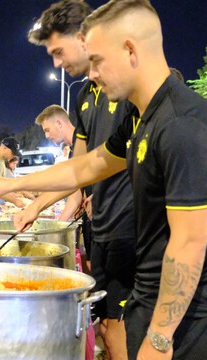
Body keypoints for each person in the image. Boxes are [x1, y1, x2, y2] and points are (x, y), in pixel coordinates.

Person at [0, 1, 207, 359]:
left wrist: (160, 338)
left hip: (191, 313)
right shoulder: (142, 116)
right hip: (150, 293)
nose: (90, 73)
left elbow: (189, 243)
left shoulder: (183, 124)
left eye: (96, 60)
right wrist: (11, 186)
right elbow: (88, 167)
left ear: (130, 49)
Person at [26, 3, 138, 357]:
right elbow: (80, 169)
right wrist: (38, 206)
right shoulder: (84, 95)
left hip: (130, 229)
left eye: (59, 52)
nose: (57, 64)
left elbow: (100, 164)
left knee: (122, 325)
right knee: (105, 322)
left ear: (83, 37)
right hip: (101, 227)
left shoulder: (131, 88)